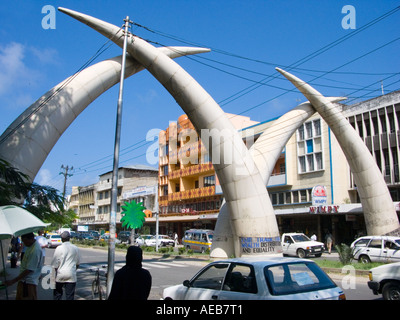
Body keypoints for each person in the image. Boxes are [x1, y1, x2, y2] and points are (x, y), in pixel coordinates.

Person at [5, 232, 43, 300]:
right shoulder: (30, 246)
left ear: (31, 239)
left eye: (25, 241)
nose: (24, 244)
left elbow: (29, 269)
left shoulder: (35, 250)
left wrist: (13, 281)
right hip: (24, 281)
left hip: (28, 282)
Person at [51, 231, 80, 300]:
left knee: (57, 294)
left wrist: (54, 276)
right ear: (69, 238)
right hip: (71, 274)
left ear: (61, 239)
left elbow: (55, 264)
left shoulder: (59, 248)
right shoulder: (75, 248)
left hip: (60, 273)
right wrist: (73, 270)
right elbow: (77, 263)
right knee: (70, 295)